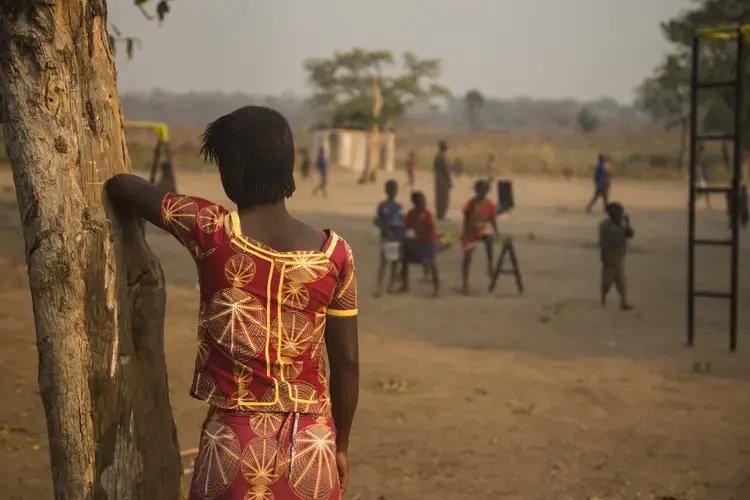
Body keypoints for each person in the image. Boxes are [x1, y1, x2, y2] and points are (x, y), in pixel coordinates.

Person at [104, 106, 359, 500]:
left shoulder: (212, 229)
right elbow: (346, 362)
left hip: (234, 444)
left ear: (231, 173)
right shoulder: (336, 253)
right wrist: (339, 446)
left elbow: (123, 185)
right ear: (289, 167)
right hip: (314, 446)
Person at [460, 179, 498, 294]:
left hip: (482, 229)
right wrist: (466, 234)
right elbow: (466, 219)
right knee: (468, 256)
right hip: (471, 230)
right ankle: (465, 282)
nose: (482, 193)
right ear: (476, 191)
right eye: (480, 191)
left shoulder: (489, 203)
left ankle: (490, 265)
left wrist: (497, 232)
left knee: (489, 241)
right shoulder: (471, 203)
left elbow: (492, 220)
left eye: (485, 191)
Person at [599, 201, 634, 310]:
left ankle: (619, 301)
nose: (621, 215)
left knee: (618, 280)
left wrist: (626, 224)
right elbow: (621, 235)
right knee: (609, 280)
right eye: (619, 213)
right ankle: (606, 299)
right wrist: (625, 225)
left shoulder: (613, 224)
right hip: (610, 256)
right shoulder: (607, 226)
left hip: (616, 256)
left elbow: (630, 234)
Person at [403, 190, 440, 295]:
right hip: (416, 243)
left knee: (432, 264)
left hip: (428, 242)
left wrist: (419, 238)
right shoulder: (411, 214)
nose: (423, 203)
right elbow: (407, 228)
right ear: (415, 202)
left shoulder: (428, 214)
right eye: (420, 201)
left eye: (424, 200)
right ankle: (404, 285)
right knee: (404, 260)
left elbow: (430, 229)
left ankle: (436, 288)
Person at [374, 179, 405, 296]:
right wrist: (386, 230)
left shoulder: (399, 207)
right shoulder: (382, 206)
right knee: (384, 261)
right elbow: (379, 221)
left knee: (394, 262)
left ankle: (390, 285)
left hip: (397, 236)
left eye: (394, 189)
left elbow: (403, 221)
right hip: (386, 236)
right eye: (390, 189)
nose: (392, 191)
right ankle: (379, 286)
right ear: (386, 190)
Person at [433, 140, 452, 221]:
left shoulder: (437, 157)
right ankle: (442, 215)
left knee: (438, 197)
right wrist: (449, 181)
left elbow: (434, 168)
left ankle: (439, 214)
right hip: (443, 180)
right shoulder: (444, 157)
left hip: (437, 179)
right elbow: (446, 170)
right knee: (444, 198)